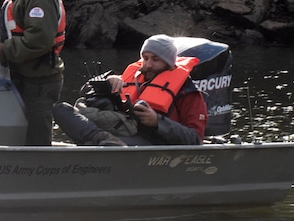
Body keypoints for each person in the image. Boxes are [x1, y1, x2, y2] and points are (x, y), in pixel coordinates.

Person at [53, 34, 208, 146]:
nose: (148, 65)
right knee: (61, 109)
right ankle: (100, 139)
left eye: (155, 60)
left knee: (91, 145)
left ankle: (98, 143)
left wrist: (158, 122)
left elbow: (195, 139)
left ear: (169, 64)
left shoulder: (188, 93)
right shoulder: (133, 77)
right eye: (145, 58)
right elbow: (84, 92)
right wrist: (106, 81)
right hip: (117, 132)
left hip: (152, 141)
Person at [0, 0, 66, 145]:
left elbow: (39, 40)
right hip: (25, 77)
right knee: (20, 134)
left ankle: (37, 173)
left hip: (39, 81)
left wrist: (2, 50)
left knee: (36, 139)